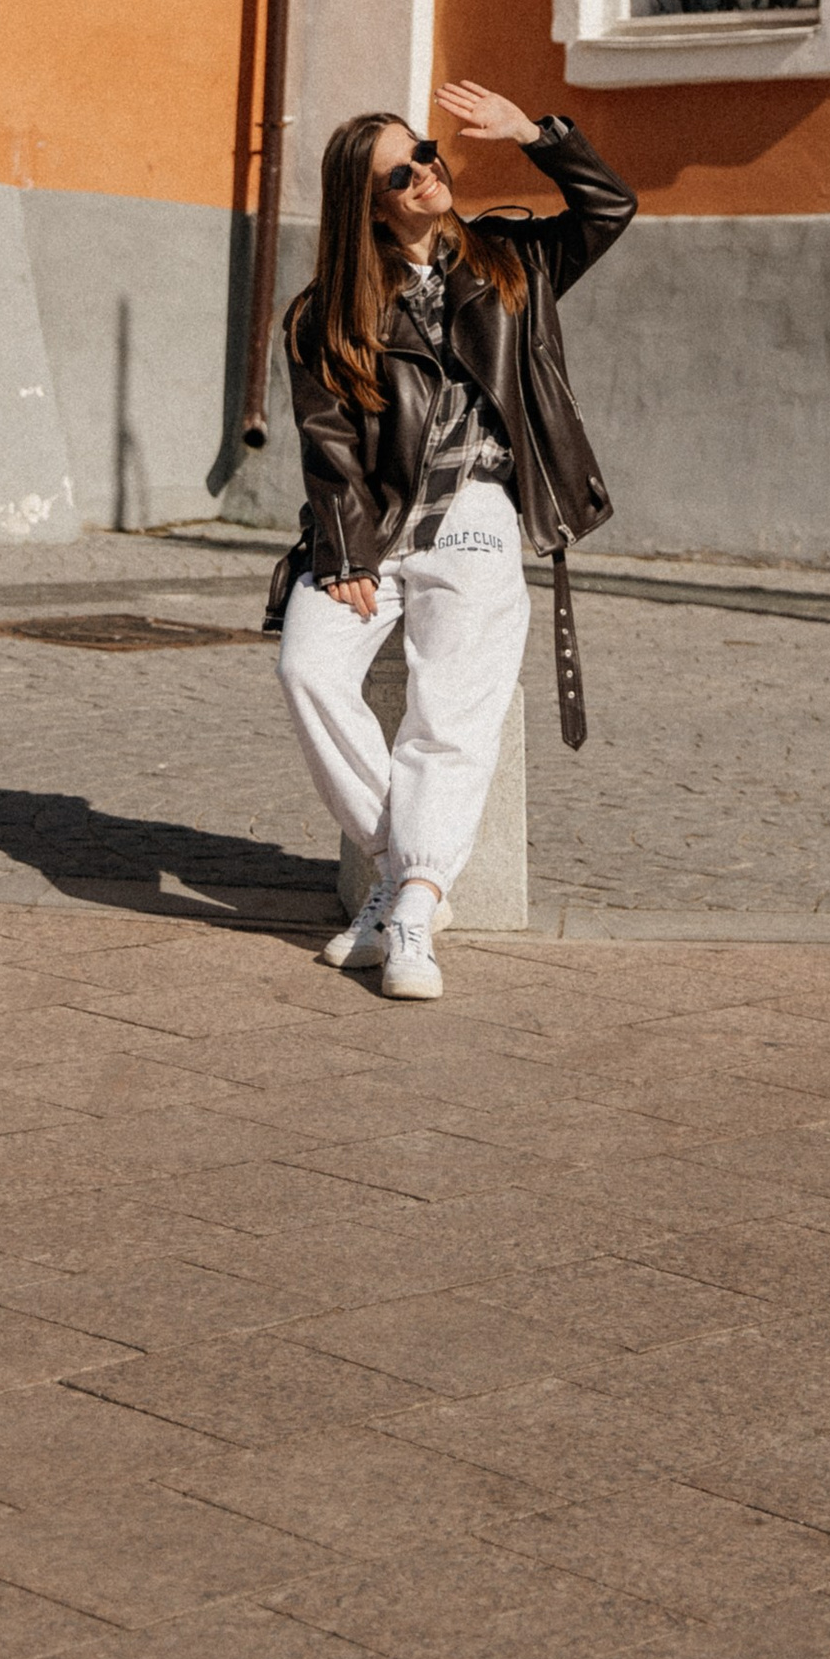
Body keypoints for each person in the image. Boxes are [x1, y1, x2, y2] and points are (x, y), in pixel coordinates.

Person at [265, 81, 634, 1000]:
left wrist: (534, 136)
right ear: (369, 201)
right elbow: (330, 443)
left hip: (476, 508)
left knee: (452, 706)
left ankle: (414, 914)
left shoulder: (513, 260)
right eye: (402, 168)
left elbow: (610, 207)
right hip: (375, 519)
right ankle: (402, 876)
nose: (427, 168)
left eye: (427, 150)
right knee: (308, 667)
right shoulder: (323, 313)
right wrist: (347, 556)